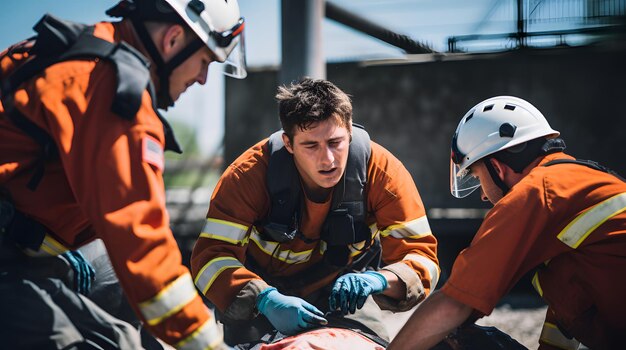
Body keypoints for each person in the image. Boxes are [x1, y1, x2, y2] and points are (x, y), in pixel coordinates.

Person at [0, 0, 247, 348]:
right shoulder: (111, 90)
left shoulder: (80, 56)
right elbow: (141, 244)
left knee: (118, 333)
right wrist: (209, 345)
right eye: (205, 61)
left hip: (23, 251)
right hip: (12, 258)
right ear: (173, 39)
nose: (203, 79)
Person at [190, 78, 439, 345]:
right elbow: (210, 259)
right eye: (311, 146)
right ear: (288, 143)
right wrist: (265, 299)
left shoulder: (384, 174)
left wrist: (378, 279)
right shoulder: (247, 178)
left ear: (351, 132)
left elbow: (422, 257)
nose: (328, 159)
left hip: (346, 296)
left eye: (335, 142)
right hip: (261, 298)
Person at [389, 96, 626, 350]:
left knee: (448, 341)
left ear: (497, 167)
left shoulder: (538, 192)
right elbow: (573, 303)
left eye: (478, 177)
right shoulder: (581, 180)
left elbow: (455, 303)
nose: (482, 194)